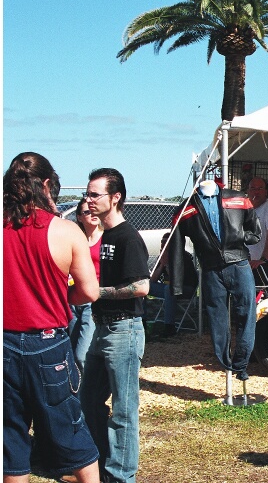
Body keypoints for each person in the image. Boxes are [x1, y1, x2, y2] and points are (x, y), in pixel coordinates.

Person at [3, 152, 101, 483]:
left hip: (4, 342)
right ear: (46, 185)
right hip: (47, 343)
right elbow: (89, 291)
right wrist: (59, 295)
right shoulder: (65, 231)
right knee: (70, 432)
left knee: (11, 441)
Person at [80, 168, 149, 483]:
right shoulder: (104, 234)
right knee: (89, 399)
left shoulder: (127, 236)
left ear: (116, 197)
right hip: (102, 329)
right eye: (87, 194)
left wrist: (97, 291)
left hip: (124, 330)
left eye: (95, 194)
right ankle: (99, 466)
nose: (89, 200)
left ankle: (121, 476)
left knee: (123, 410)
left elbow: (142, 287)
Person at [168, 179, 260, 381]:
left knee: (247, 313)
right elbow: (175, 248)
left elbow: (255, 232)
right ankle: (226, 363)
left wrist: (239, 236)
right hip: (210, 269)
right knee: (217, 318)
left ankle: (241, 363)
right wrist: (176, 284)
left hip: (239, 263)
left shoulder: (238, 198)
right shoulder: (186, 208)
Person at [69, 198, 103, 373]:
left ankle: (88, 388)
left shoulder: (105, 238)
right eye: (87, 212)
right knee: (71, 349)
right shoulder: (76, 239)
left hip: (93, 299)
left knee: (82, 354)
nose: (92, 214)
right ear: (79, 217)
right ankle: (77, 387)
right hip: (74, 298)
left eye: (94, 210)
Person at [147, 233, 196, 337]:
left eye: (166, 243)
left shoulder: (183, 257)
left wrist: (167, 264)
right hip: (169, 288)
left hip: (185, 288)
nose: (163, 245)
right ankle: (143, 321)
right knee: (145, 286)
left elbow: (177, 281)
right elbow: (153, 280)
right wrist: (162, 264)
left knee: (169, 289)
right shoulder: (162, 257)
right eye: (162, 242)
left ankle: (169, 327)